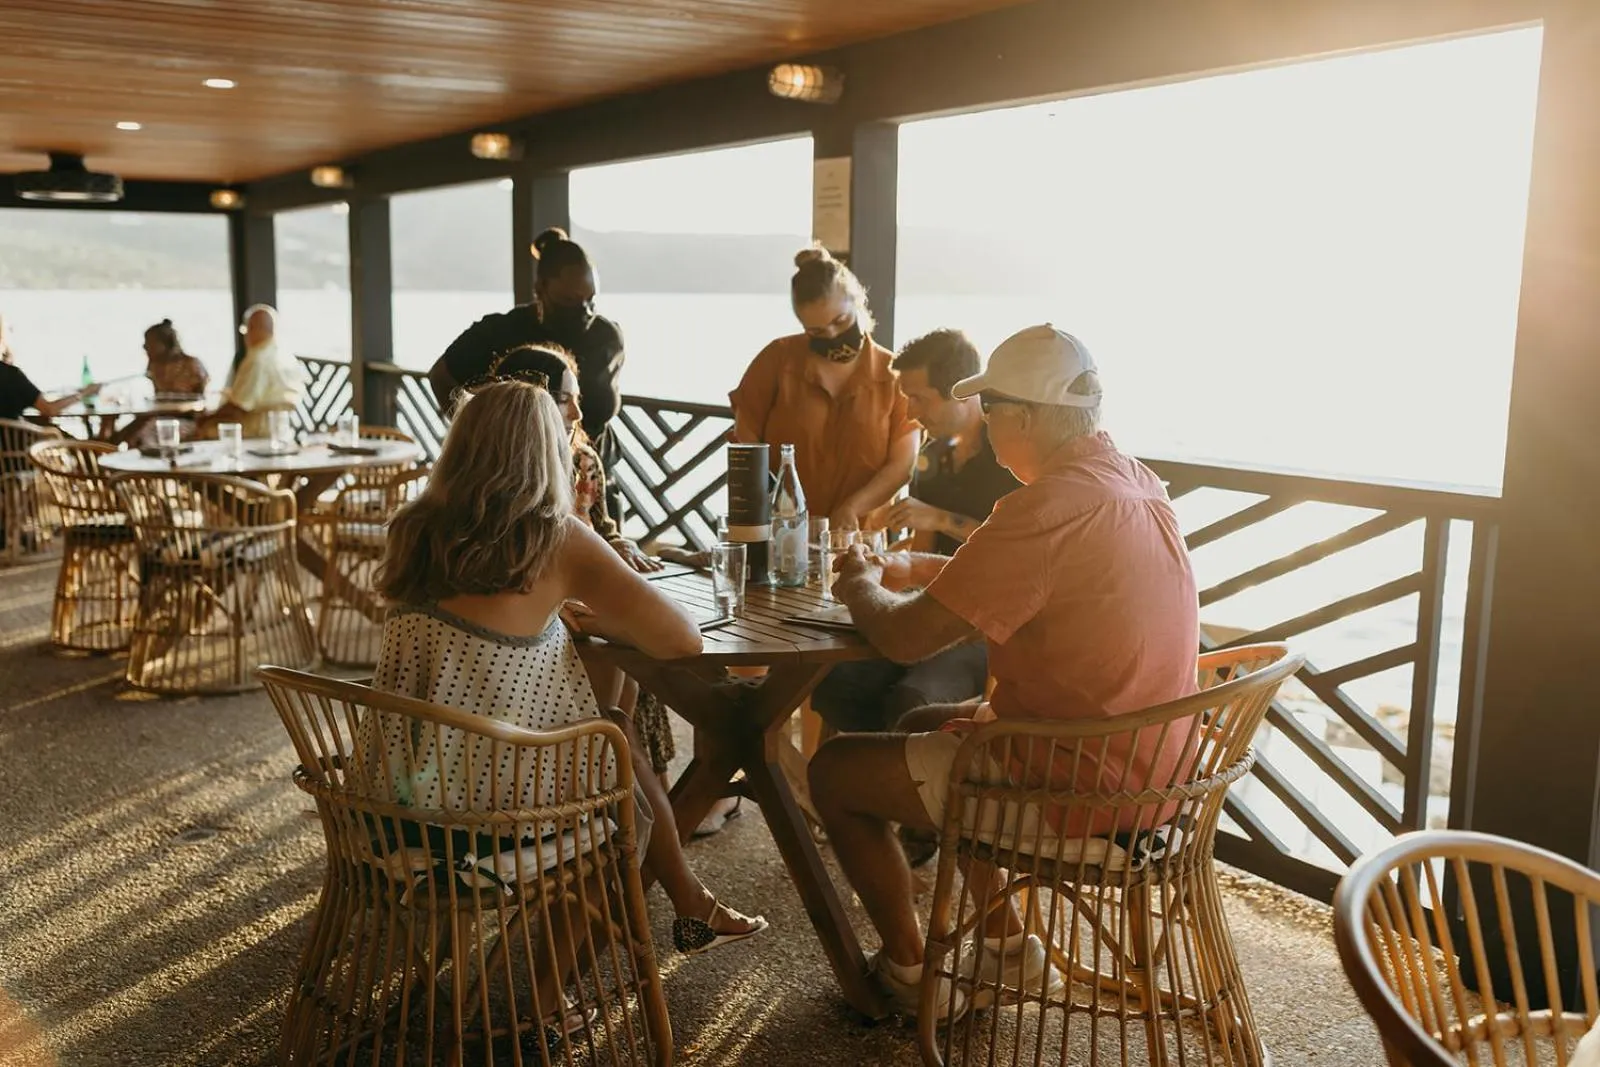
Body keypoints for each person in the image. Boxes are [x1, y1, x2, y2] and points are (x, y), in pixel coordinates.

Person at [808, 324, 1201, 1020]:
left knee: (834, 771)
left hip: (1081, 783)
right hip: (1161, 770)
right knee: (930, 720)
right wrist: (913, 567)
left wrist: (861, 584)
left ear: (1024, 415)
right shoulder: (1133, 480)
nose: (985, 424)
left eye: (990, 408)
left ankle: (910, 970)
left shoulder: (1046, 506)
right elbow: (1028, 581)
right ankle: (1006, 948)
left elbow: (903, 637)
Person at [374, 376, 766, 965]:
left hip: (390, 803)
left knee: (611, 737)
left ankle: (690, 902)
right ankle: (537, 1008)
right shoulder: (556, 539)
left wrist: (552, 618)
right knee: (615, 792)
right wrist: (605, 623)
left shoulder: (410, 529)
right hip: (486, 821)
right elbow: (682, 639)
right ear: (545, 454)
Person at [482, 344, 683, 794]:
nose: (576, 408)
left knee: (632, 664)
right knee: (628, 653)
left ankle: (647, 784)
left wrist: (619, 546)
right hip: (547, 609)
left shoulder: (582, 459)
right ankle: (622, 781)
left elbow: (603, 527)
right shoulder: (528, 512)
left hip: (580, 585)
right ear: (530, 404)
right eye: (563, 397)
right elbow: (684, 638)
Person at [809, 329, 1020, 739]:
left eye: (919, 398)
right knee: (834, 682)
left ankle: (898, 785)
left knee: (910, 699)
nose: (908, 413)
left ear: (961, 391)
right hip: (930, 608)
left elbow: (1018, 558)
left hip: (982, 629)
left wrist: (942, 520)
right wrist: (889, 572)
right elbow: (922, 552)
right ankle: (856, 784)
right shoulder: (931, 454)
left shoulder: (1009, 458)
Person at [429, 228, 626, 513]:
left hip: (591, 479)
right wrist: (474, 438)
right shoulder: (502, 330)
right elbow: (441, 376)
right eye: (571, 301)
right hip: (520, 484)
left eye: (590, 301)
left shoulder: (605, 336)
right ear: (541, 288)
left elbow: (598, 408)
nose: (583, 311)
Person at [729, 247, 918, 529]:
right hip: (783, 529)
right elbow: (746, 443)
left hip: (860, 534)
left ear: (857, 302)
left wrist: (852, 507)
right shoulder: (777, 359)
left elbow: (903, 465)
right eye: (816, 332)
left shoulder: (893, 375)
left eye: (840, 321)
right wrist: (770, 502)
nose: (831, 334)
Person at [194, 304, 305, 438]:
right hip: (282, 427)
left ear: (255, 329)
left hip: (255, 428)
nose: (245, 336)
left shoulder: (258, 359)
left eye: (246, 329)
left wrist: (206, 418)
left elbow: (239, 407)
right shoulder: (285, 355)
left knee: (198, 430)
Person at [0, 324, 98, 421]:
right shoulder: (11, 375)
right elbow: (50, 409)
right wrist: (85, 393)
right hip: (18, 436)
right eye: (9, 330)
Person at [141, 319, 209, 397]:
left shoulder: (191, 364)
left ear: (167, 344)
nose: (145, 347)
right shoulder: (154, 366)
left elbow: (199, 396)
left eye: (150, 343)